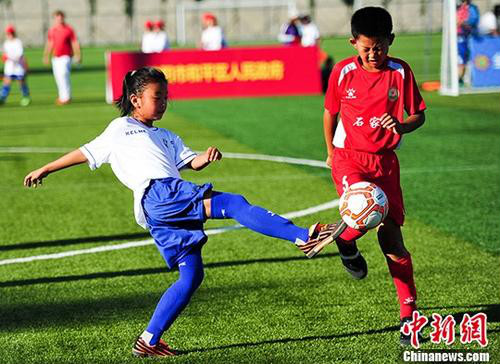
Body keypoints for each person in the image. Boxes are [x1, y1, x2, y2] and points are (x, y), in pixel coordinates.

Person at [23, 67, 344, 357]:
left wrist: (204, 157)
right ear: (135, 99)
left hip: (160, 208)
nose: (163, 102)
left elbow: (190, 163)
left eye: (166, 97)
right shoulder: (119, 128)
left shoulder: (167, 136)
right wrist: (47, 168)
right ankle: (304, 237)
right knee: (233, 203)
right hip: (157, 194)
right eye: (156, 97)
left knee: (191, 275)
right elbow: (85, 152)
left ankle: (149, 339)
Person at [322, 7, 426, 345]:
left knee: (392, 241)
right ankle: (348, 238)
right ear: (354, 42)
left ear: (390, 41)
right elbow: (330, 112)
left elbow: (419, 115)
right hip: (349, 158)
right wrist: (329, 152)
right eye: (366, 47)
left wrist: (400, 125)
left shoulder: (400, 72)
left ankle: (409, 315)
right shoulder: (342, 72)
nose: (373, 53)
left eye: (379, 46)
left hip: (385, 163)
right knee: (363, 213)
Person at [43, 10, 81, 105]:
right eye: (57, 17)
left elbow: (74, 42)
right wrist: (46, 55)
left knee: (64, 74)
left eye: (61, 17)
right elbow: (50, 43)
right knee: (58, 77)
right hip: (56, 57)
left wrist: (78, 54)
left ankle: (66, 97)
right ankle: (62, 96)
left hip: (66, 56)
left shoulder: (69, 29)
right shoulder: (52, 30)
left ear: (63, 18)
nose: (59, 19)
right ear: (55, 18)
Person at [0, 25, 30, 106]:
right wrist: (4, 57)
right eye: (8, 33)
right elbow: (5, 54)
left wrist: (8, 57)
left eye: (10, 33)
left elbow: (19, 55)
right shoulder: (6, 43)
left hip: (18, 67)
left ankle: (26, 97)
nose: (9, 35)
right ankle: (2, 98)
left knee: (21, 82)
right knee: (6, 82)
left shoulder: (18, 42)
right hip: (9, 68)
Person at [457, 0, 479, 85]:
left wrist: (462, 22)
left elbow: (473, 20)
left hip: (464, 36)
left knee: (464, 58)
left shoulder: (471, 8)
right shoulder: (461, 8)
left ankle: (462, 78)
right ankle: (460, 78)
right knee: (461, 58)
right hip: (460, 36)